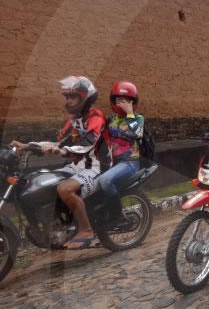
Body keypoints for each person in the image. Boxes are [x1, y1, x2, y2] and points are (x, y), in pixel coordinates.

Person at [11, 76, 109, 249]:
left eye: (73, 97)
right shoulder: (73, 120)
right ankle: (55, 230)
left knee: (64, 188)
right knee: (39, 181)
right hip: (76, 167)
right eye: (67, 97)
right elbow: (58, 143)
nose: (69, 101)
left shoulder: (96, 117)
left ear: (85, 98)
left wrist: (63, 151)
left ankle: (86, 230)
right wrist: (27, 145)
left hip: (96, 167)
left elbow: (87, 145)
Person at [96, 81, 144, 218]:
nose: (122, 103)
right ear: (113, 101)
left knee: (105, 181)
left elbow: (138, 133)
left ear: (133, 102)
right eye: (119, 100)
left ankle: (116, 216)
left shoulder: (138, 118)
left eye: (126, 101)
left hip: (129, 162)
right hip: (112, 162)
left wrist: (129, 114)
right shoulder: (111, 120)